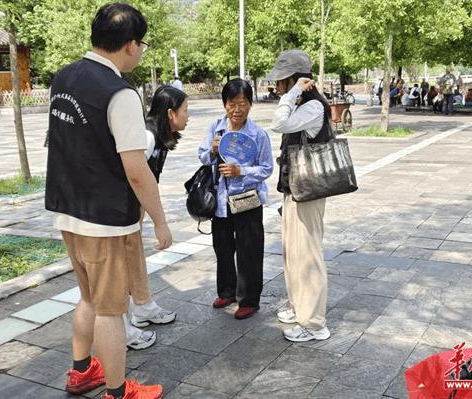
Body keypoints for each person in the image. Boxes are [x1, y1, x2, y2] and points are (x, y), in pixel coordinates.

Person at [45, 4, 172, 399]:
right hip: (104, 219)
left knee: (89, 297)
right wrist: (160, 221)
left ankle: (82, 371)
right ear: (131, 45)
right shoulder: (120, 93)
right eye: (143, 44)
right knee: (110, 309)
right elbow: (137, 169)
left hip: (68, 211)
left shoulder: (62, 77)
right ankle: (118, 393)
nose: (142, 51)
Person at [266, 49, 332, 342]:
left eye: (283, 80)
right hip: (294, 187)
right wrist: (293, 94)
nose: (277, 85)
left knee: (308, 254)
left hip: (309, 189)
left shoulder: (313, 105)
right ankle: (299, 307)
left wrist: (291, 94)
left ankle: (315, 323)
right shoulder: (302, 101)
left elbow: (279, 123)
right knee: (292, 250)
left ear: (297, 79)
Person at [197, 78, 273, 320]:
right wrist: (211, 151)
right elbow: (202, 156)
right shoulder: (215, 129)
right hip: (220, 200)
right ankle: (227, 291)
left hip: (247, 199)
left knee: (249, 249)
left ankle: (249, 299)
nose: (237, 109)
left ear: (250, 104)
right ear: (224, 104)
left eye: (242, 103)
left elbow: (267, 168)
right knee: (223, 248)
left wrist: (242, 171)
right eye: (232, 103)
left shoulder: (258, 134)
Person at [124, 85, 189, 346]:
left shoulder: (157, 135)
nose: (188, 116)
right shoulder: (148, 137)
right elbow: (135, 176)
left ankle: (142, 306)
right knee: (121, 264)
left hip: (134, 206)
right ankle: (125, 327)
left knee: (134, 254)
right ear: (171, 114)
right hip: (123, 207)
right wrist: (159, 223)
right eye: (185, 110)